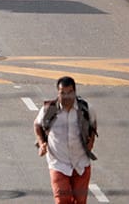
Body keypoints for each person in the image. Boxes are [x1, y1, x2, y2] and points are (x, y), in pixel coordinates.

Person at [34, 75, 97, 204]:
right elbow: (37, 125)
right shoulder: (49, 110)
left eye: (70, 93)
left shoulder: (86, 109)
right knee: (62, 200)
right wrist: (42, 143)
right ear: (58, 93)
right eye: (63, 93)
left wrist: (91, 143)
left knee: (80, 200)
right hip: (58, 164)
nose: (66, 96)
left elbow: (93, 124)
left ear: (75, 92)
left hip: (81, 163)